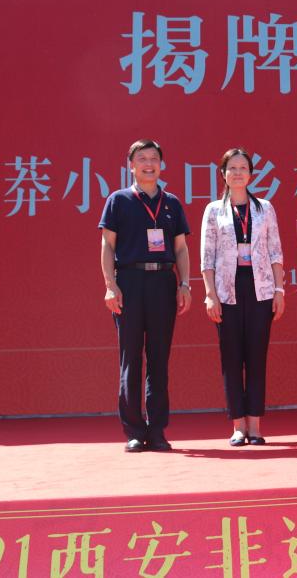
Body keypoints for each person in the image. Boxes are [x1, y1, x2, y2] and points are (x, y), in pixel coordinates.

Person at [99, 139, 192, 453]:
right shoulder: (118, 200)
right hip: (129, 281)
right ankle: (134, 431)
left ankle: (157, 430)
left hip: (163, 282)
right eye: (142, 159)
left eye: (154, 159)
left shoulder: (172, 203)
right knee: (131, 357)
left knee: (159, 359)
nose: (148, 164)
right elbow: (107, 245)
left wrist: (184, 284)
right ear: (131, 165)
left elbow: (181, 248)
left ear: (161, 165)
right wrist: (110, 285)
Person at [201, 148, 285, 446]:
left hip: (260, 288)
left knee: (256, 357)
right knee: (232, 357)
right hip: (227, 290)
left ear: (250, 174)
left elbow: (275, 250)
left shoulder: (264, 208)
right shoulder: (214, 210)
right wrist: (210, 295)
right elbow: (207, 256)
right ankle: (238, 425)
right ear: (223, 174)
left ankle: (255, 425)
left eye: (243, 168)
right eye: (232, 168)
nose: (237, 173)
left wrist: (279, 290)